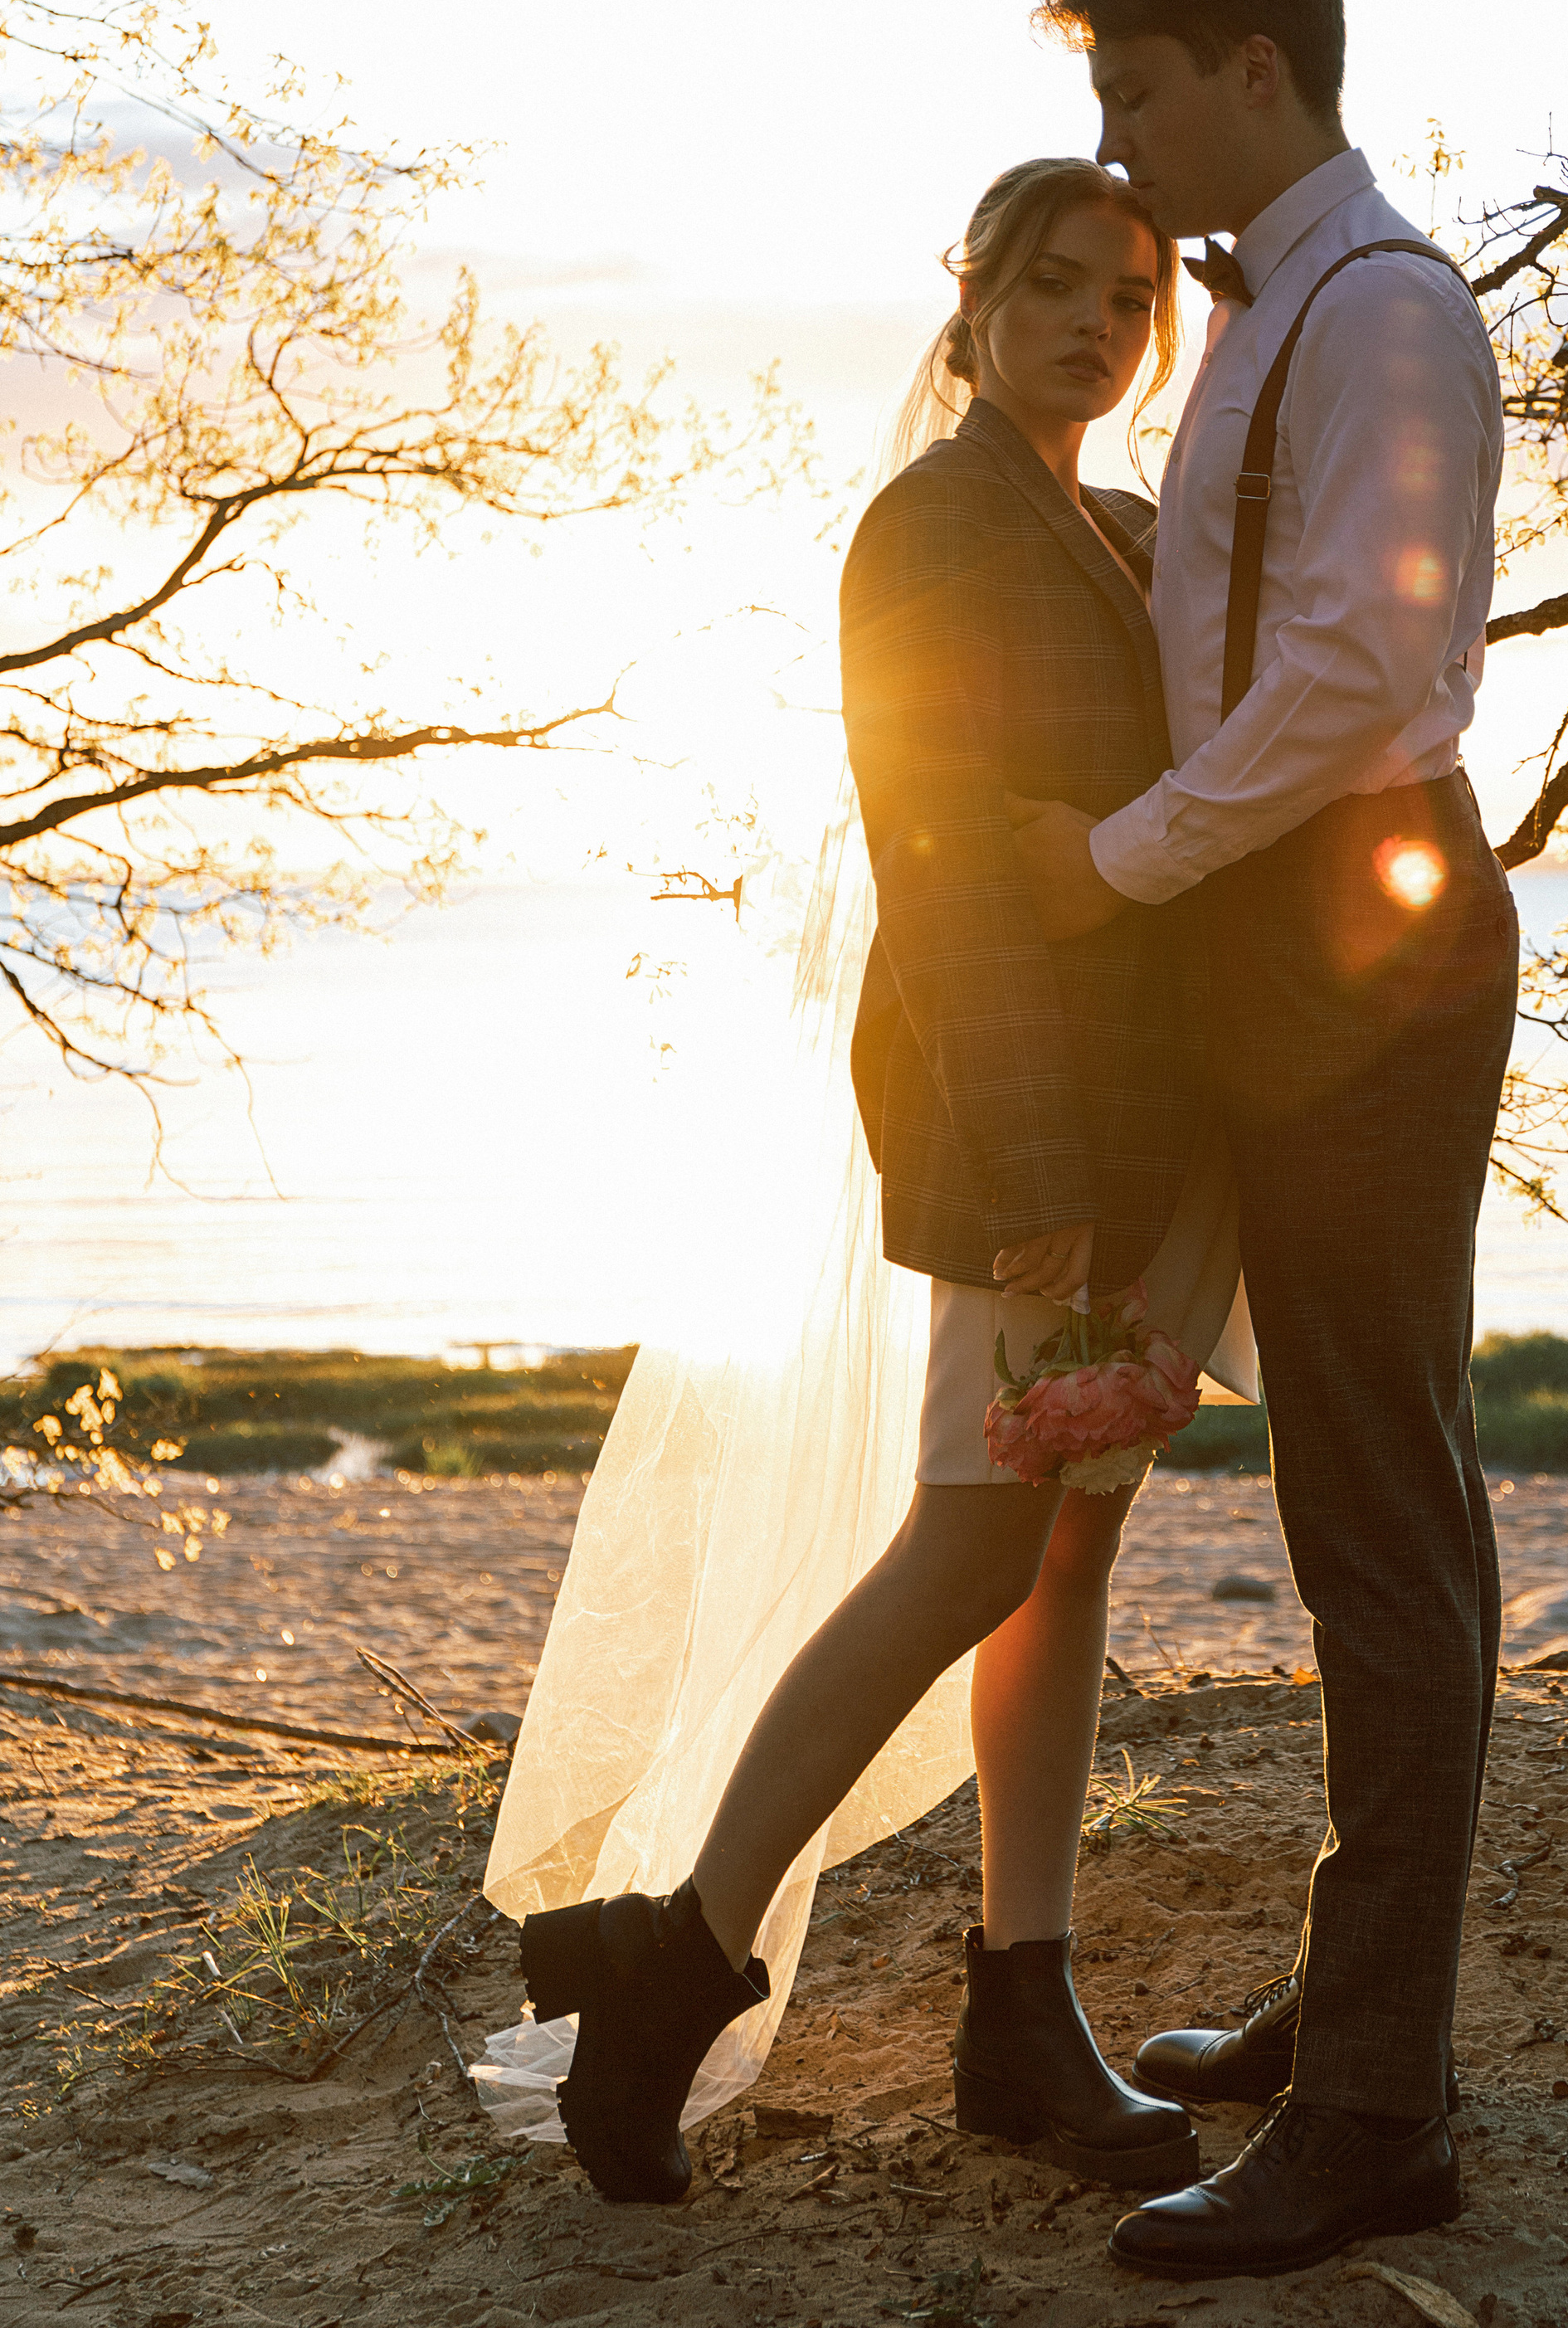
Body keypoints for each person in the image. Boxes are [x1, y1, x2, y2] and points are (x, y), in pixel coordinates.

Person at [505, 156, 1252, 2211]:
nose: (1096, 323)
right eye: (1055, 286)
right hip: (1035, 1128)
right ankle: (675, 1960)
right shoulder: (931, 528)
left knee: (1063, 1555)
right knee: (958, 1551)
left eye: (1129, 298)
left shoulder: (1110, 525)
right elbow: (933, 857)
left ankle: (1023, 2003)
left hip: (1157, 1116)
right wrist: (1027, 1165)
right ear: (975, 298)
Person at [1008, 0, 1518, 2281]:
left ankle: (1383, 2105)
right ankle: (1353, 2007)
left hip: (1362, 927)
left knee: (1383, 1514)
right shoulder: (1273, 315)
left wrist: (1124, 860)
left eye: (1127, 87)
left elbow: (1354, 662)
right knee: (1349, 1481)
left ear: (1248, 67)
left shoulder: (1385, 308)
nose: (1108, 141)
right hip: (1286, 928)